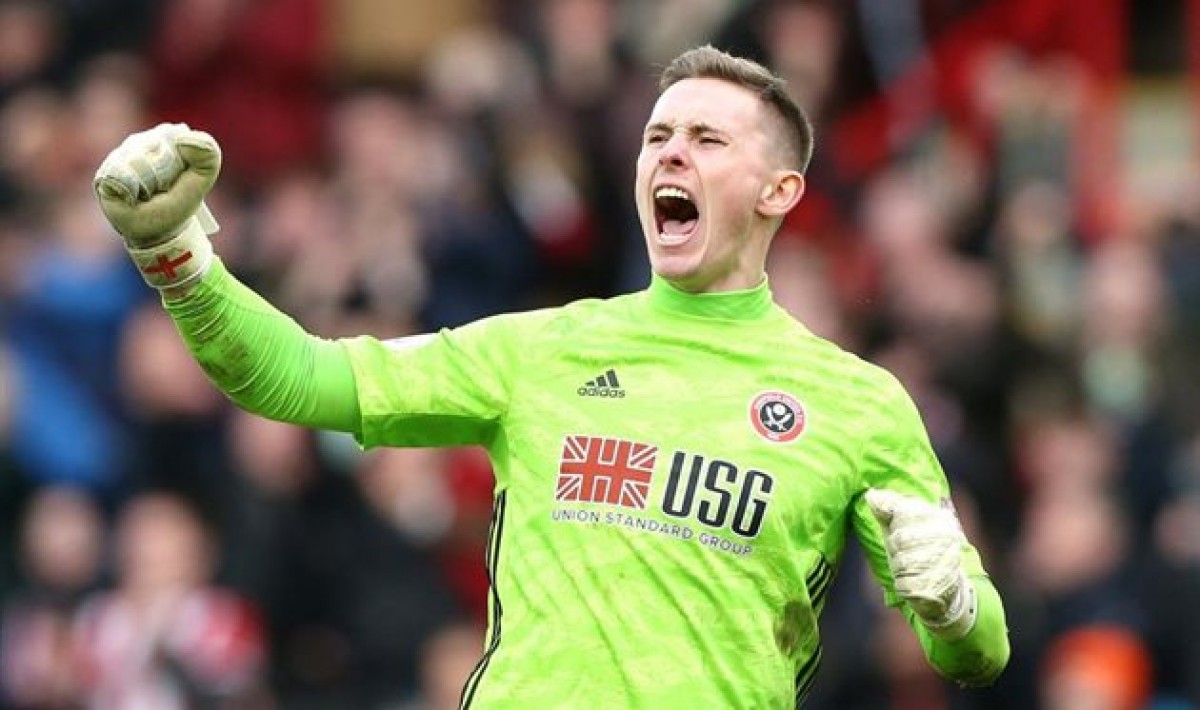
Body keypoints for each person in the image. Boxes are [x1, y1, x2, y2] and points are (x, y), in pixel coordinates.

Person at [92, 45, 1009, 708]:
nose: (671, 153)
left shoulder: (857, 404)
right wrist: (177, 255)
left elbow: (977, 657)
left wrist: (954, 606)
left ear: (780, 191)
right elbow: (298, 377)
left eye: (707, 139)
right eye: (658, 135)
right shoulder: (541, 350)